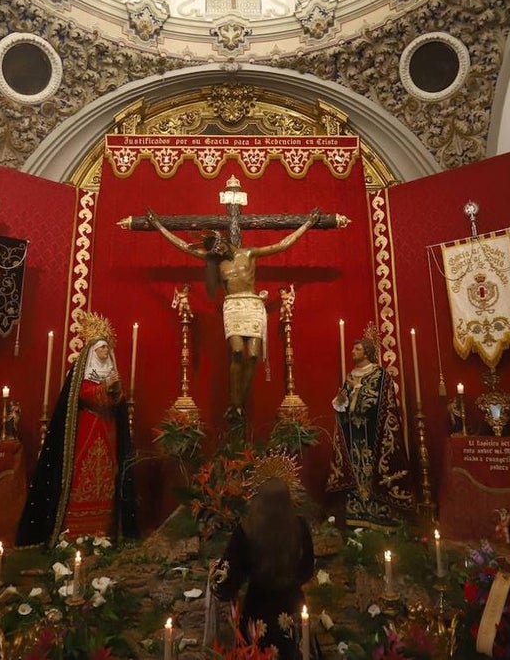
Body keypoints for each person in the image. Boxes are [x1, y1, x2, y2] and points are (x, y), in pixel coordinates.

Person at [147, 208, 320, 433]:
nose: (217, 252)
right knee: (237, 351)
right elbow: (183, 246)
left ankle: (238, 402)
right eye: (214, 250)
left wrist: (306, 225)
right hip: (233, 306)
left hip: (252, 304)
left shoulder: (248, 254)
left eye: (219, 247)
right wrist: (160, 226)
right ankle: (235, 404)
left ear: (225, 241)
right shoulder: (217, 262)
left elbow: (282, 245)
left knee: (254, 355)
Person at [16, 316, 138, 546]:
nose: (105, 352)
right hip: (86, 431)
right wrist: (106, 389)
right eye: (101, 348)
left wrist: (115, 391)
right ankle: (74, 531)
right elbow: (85, 395)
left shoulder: (111, 372)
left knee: (107, 475)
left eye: (106, 348)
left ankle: (104, 530)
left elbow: (116, 404)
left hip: (108, 431)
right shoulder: (82, 372)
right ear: (92, 351)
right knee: (82, 472)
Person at [212, 478, 314, 660]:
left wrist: (216, 578)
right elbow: (307, 570)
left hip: (257, 613)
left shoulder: (246, 530)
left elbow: (226, 580)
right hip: (292, 610)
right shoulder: (300, 528)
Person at [326, 336, 415, 529]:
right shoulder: (350, 377)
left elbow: (385, 403)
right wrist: (347, 389)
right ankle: (356, 518)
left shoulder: (380, 375)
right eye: (353, 349)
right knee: (357, 476)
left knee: (375, 473)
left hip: (374, 435)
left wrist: (360, 399)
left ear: (366, 352)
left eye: (357, 349)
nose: (352, 352)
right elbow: (340, 406)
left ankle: (381, 519)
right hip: (354, 436)